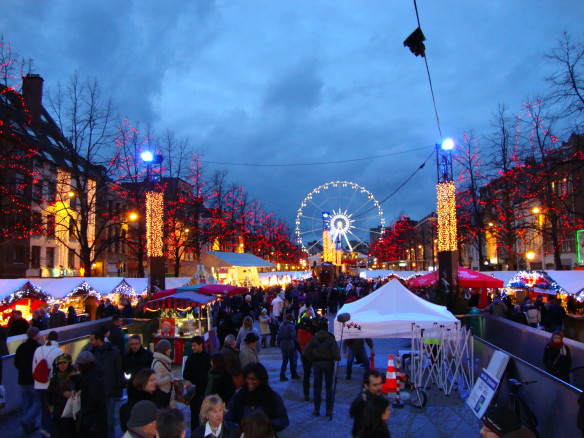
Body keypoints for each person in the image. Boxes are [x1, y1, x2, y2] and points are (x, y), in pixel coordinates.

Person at [226, 363, 289, 433]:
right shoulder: (238, 396)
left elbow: (283, 420)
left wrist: (265, 426)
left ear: (261, 380)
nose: (249, 382)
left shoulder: (272, 397)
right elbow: (227, 418)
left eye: (253, 379)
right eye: (247, 378)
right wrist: (240, 428)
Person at [88, 327, 124, 438]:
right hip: (97, 392)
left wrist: (118, 390)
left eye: (92, 339)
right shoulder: (92, 352)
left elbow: (118, 371)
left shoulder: (112, 352)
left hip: (108, 391)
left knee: (109, 421)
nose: (90, 342)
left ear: (99, 340)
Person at [303, 318, 340, 417]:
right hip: (328, 364)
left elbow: (305, 352)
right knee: (329, 388)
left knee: (317, 387)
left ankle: (316, 409)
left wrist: (312, 359)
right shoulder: (331, 339)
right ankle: (328, 410)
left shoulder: (314, 338)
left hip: (317, 364)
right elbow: (337, 356)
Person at [33, 330, 62, 436]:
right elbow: (60, 370)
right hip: (51, 385)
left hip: (39, 384)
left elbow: (34, 368)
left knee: (43, 409)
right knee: (53, 408)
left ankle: (44, 430)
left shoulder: (38, 350)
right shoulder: (58, 351)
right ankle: (52, 431)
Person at [14, 326, 41, 434]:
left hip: (22, 379)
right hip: (33, 379)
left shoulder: (21, 346)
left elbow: (16, 363)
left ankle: (29, 426)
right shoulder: (38, 348)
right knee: (38, 402)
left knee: (26, 403)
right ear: (36, 335)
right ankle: (26, 420)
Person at [75, 350, 107, 438]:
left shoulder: (89, 378)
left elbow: (93, 398)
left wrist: (84, 411)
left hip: (91, 419)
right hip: (97, 418)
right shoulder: (96, 373)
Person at [47, 353, 78, 438]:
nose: (62, 365)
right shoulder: (54, 378)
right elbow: (49, 393)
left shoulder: (75, 376)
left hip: (70, 410)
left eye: (64, 363)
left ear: (68, 363)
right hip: (58, 410)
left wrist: (73, 393)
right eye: (59, 363)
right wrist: (50, 405)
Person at [183, 335, 211, 430]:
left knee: (205, 415)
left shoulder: (208, 358)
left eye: (194, 345)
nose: (193, 348)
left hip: (205, 391)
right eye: (192, 346)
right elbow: (185, 374)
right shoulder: (191, 358)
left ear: (201, 345)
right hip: (195, 392)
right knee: (194, 415)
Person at [349, 370, 384, 438]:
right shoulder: (362, 402)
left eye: (380, 383)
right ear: (366, 386)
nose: (379, 387)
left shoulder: (377, 397)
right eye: (375, 385)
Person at [277, 314, 300, 381]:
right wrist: (297, 345)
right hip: (290, 345)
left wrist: (278, 344)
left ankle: (282, 375)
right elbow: (293, 336)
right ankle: (293, 374)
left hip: (283, 345)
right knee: (292, 361)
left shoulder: (281, 325)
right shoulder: (291, 326)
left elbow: (278, 335)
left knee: (284, 361)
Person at [152, 339, 175, 408]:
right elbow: (158, 381)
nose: (170, 350)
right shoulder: (158, 363)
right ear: (164, 350)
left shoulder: (164, 360)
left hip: (165, 392)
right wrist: (170, 376)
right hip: (162, 394)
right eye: (169, 349)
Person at [297, 316, 315, 401]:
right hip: (312, 354)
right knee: (315, 375)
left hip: (304, 354)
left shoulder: (299, 332)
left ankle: (306, 394)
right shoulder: (310, 334)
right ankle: (316, 393)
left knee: (306, 375)